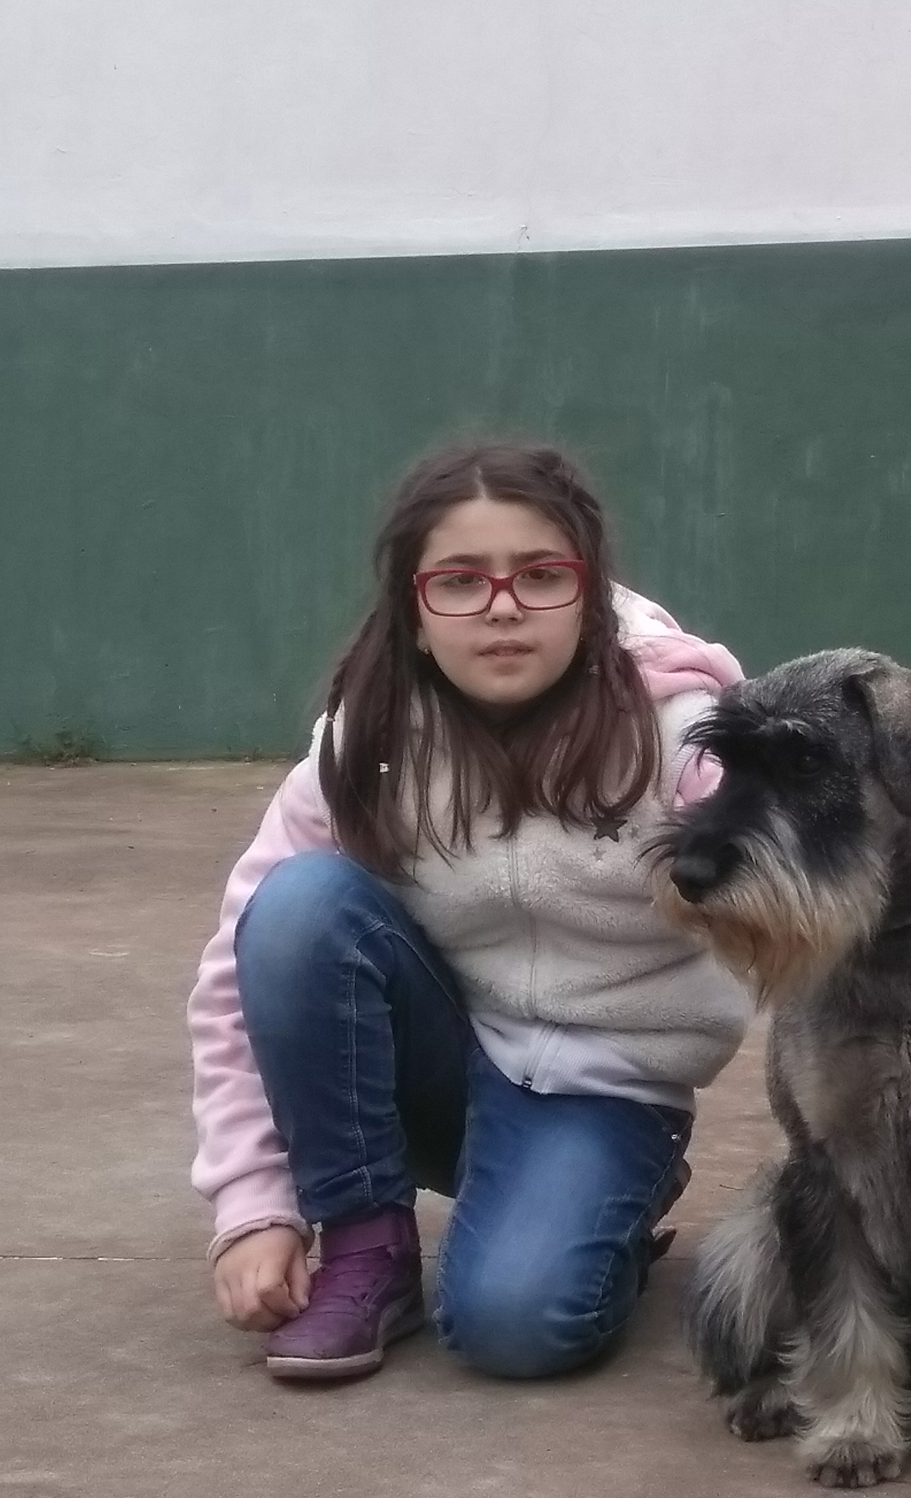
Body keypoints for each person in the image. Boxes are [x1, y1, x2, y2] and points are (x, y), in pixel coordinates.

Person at [186, 442, 749, 1379]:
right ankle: (367, 1250)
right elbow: (236, 972)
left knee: (515, 1329)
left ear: (589, 588)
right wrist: (253, 1204)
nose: (501, 608)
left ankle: (611, 1197)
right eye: (459, 580)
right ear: (413, 605)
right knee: (296, 910)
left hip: (604, 1085)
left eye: (540, 576)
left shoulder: (681, 731)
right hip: (439, 1059)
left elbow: (810, 887)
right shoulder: (364, 742)